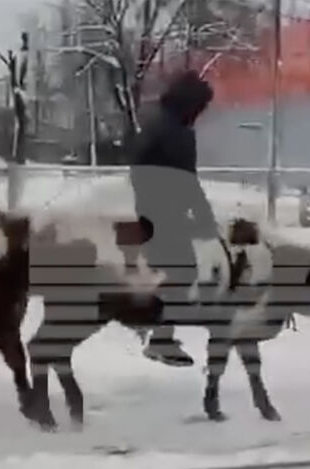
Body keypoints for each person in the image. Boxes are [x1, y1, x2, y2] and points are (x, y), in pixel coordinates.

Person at [129, 70, 219, 367]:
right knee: (182, 271)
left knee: (164, 270)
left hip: (148, 209)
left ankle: (152, 324)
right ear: (191, 104)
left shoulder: (154, 122)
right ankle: (160, 338)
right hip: (166, 214)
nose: (201, 114)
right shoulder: (178, 133)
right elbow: (187, 182)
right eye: (201, 107)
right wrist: (205, 219)